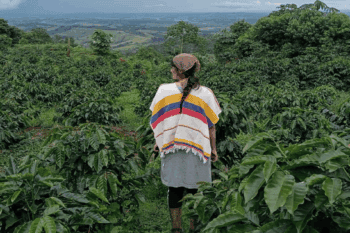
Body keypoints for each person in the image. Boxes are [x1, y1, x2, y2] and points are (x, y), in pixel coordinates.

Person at [149, 53, 221, 233]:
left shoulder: (163, 90)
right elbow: (211, 126)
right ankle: (194, 229)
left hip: (172, 148)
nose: (171, 70)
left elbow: (159, 120)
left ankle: (176, 229)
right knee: (196, 191)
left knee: (174, 189)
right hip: (197, 149)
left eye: (173, 67)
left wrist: (158, 143)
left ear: (179, 71)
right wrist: (213, 149)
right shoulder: (206, 93)